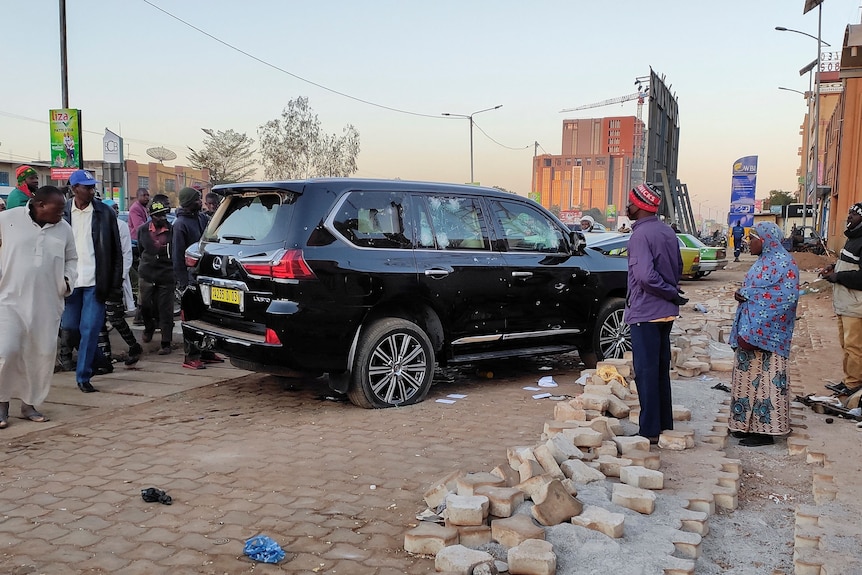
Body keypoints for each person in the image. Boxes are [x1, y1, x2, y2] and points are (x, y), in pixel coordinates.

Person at [0, 186, 77, 427]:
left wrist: (66, 282)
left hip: (47, 302)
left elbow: (73, 259)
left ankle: (29, 404)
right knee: (6, 351)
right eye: (58, 209)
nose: (62, 215)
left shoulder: (64, 229)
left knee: (40, 354)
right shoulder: (7, 219)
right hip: (9, 299)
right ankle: (1, 404)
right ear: (39, 205)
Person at [624, 183, 686, 443]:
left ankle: (648, 430)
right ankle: (663, 423)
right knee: (660, 370)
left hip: (646, 312)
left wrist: (668, 293)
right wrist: (671, 293)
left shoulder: (639, 236)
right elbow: (678, 266)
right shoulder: (667, 232)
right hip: (665, 313)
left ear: (639, 206)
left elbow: (645, 277)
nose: (627, 207)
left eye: (630, 203)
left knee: (646, 371)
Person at [728, 222, 799, 447]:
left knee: (768, 382)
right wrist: (744, 295)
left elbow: (785, 299)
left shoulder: (785, 263)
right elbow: (757, 290)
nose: (749, 242)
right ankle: (744, 424)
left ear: (766, 239)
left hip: (768, 335)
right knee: (746, 380)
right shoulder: (762, 262)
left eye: (752, 238)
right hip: (749, 330)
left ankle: (765, 431)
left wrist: (749, 298)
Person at [60, 170, 123, 393]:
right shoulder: (63, 212)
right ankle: (100, 361)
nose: (91, 190)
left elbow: (116, 252)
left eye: (92, 186)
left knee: (90, 329)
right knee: (70, 327)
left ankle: (83, 376)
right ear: (74, 188)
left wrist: (115, 285)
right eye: (86, 187)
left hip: (96, 281)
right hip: (69, 281)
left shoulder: (104, 212)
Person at [173, 187, 224, 369]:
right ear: (188, 202)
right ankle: (191, 356)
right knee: (191, 319)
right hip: (189, 280)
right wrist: (183, 283)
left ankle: (207, 352)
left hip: (204, 277)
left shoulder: (202, 218)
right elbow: (178, 257)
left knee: (208, 316)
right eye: (197, 200)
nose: (201, 203)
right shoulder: (180, 225)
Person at [820, 203, 862, 397]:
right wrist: (833, 268)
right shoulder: (852, 239)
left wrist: (840, 277)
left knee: (854, 348)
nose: (850, 216)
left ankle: (854, 385)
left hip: (856, 306)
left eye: (854, 214)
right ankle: (849, 381)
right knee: (846, 346)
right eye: (850, 213)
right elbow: (846, 264)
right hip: (844, 303)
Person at [101, 199, 143, 366]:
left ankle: (134, 346)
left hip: (114, 279)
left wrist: (120, 277)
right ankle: (104, 359)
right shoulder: (97, 224)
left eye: (117, 208)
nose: (116, 211)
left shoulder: (120, 226)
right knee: (98, 320)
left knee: (115, 318)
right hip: (97, 279)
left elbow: (125, 253)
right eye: (113, 208)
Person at [138, 195, 176, 355]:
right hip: (147, 274)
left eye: (164, 214)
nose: (161, 218)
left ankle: (166, 342)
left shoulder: (173, 231)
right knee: (145, 306)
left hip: (166, 275)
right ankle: (149, 327)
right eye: (158, 215)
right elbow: (141, 250)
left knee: (165, 309)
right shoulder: (143, 230)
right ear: (151, 216)